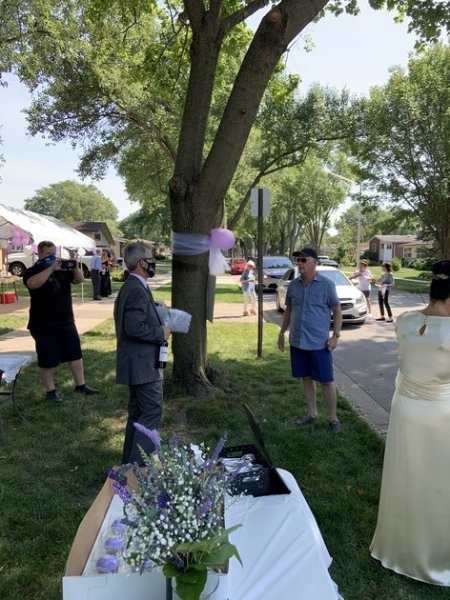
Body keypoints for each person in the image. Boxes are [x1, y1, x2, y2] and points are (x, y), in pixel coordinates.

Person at [370, 260, 450, 585]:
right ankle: (433, 554)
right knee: (438, 483)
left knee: (406, 477)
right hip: (439, 415)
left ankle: (398, 544)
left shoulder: (403, 321)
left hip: (405, 408)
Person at [114, 241, 171, 465]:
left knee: (138, 416)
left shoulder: (133, 286)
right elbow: (133, 327)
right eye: (150, 258)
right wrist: (161, 332)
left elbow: (136, 318)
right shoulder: (136, 289)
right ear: (141, 263)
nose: (153, 262)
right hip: (143, 365)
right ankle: (139, 471)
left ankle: (129, 465)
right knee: (151, 414)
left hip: (135, 363)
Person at [23, 240, 99, 402]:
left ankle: (81, 386)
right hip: (43, 323)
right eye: (48, 254)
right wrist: (50, 268)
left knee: (75, 355)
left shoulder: (63, 269)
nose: (52, 256)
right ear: (40, 253)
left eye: (53, 253)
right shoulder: (32, 271)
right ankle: (51, 392)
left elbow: (78, 280)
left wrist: (74, 267)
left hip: (66, 320)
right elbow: (33, 284)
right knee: (47, 360)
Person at [277, 247, 343, 432]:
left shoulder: (327, 285)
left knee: (327, 381)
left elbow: (337, 311)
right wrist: (282, 333)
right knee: (306, 378)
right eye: (298, 260)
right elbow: (289, 310)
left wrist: (335, 336)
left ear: (315, 262)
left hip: (319, 343)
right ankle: (313, 413)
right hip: (298, 341)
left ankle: (333, 419)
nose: (300, 264)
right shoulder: (293, 286)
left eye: (304, 260)